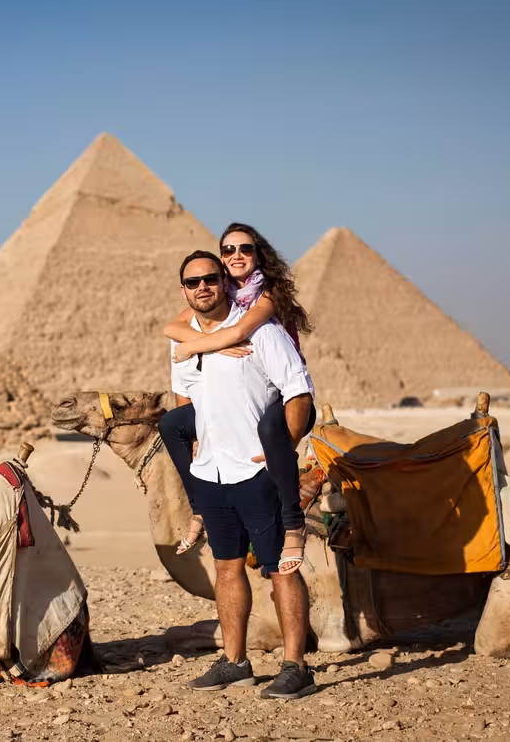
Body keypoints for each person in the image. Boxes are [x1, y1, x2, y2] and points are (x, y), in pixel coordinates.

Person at [171, 250, 318, 699]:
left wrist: (281, 450)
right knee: (226, 566)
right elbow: (183, 398)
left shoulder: (262, 331)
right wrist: (196, 447)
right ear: (184, 290)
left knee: (281, 569)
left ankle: (296, 666)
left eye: (210, 279)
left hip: (254, 471)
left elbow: (299, 391)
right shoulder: (182, 341)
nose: (202, 288)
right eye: (193, 282)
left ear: (225, 281)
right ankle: (234, 662)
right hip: (211, 471)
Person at [160, 223, 314, 574]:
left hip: (283, 396)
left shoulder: (267, 294)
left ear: (259, 254)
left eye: (245, 249)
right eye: (228, 250)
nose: (236, 256)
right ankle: (198, 505)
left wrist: (213, 343)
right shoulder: (221, 290)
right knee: (171, 423)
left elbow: (242, 331)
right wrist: (209, 343)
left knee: (271, 430)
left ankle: (293, 523)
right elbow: (172, 327)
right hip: (230, 390)